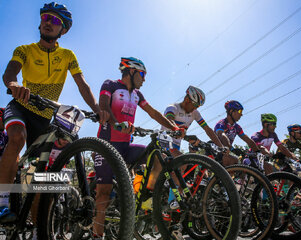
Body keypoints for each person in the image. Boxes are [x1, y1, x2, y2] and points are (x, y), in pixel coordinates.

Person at [0, 2, 108, 223]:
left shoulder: (68, 55)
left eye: (55, 20)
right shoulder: (24, 49)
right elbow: (10, 71)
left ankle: (37, 230)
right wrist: (13, 84)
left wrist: (97, 109)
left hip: (44, 115)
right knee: (17, 138)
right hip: (21, 107)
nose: (48, 22)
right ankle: (1, 201)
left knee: (40, 179)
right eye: (45, 18)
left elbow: (82, 84)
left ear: (64, 29)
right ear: (40, 23)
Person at [94, 57, 183, 238]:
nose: (144, 79)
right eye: (142, 74)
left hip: (125, 147)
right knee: (103, 193)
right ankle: (98, 235)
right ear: (131, 71)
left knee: (156, 155)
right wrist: (117, 123)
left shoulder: (137, 95)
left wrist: (173, 127)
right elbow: (103, 105)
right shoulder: (111, 85)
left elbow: (153, 112)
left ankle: (147, 197)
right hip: (106, 145)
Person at [214, 100, 265, 165]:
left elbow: (248, 140)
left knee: (242, 164)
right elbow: (222, 135)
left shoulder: (237, 127)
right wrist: (232, 149)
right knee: (234, 160)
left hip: (226, 152)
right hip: (216, 150)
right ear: (231, 111)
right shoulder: (222, 123)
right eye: (239, 111)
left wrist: (258, 152)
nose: (241, 114)